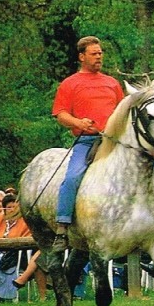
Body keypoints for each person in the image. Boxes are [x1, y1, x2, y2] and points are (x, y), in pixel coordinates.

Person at [52, 36, 125, 247]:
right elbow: (60, 114)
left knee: (153, 168)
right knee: (73, 177)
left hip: (114, 141)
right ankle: (62, 226)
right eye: (94, 53)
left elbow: (123, 112)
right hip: (86, 140)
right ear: (82, 56)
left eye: (100, 53)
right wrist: (78, 122)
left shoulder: (112, 82)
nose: (99, 56)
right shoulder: (70, 83)